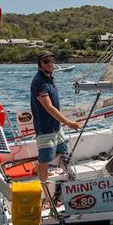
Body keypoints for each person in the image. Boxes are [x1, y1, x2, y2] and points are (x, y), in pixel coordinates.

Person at [30, 51, 80, 190]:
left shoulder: (49, 78)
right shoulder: (39, 82)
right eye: (46, 61)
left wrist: (61, 122)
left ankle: (38, 166)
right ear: (39, 64)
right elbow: (49, 108)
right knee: (45, 161)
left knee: (61, 152)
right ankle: (46, 195)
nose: (50, 64)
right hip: (45, 128)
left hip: (56, 126)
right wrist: (69, 122)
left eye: (51, 60)